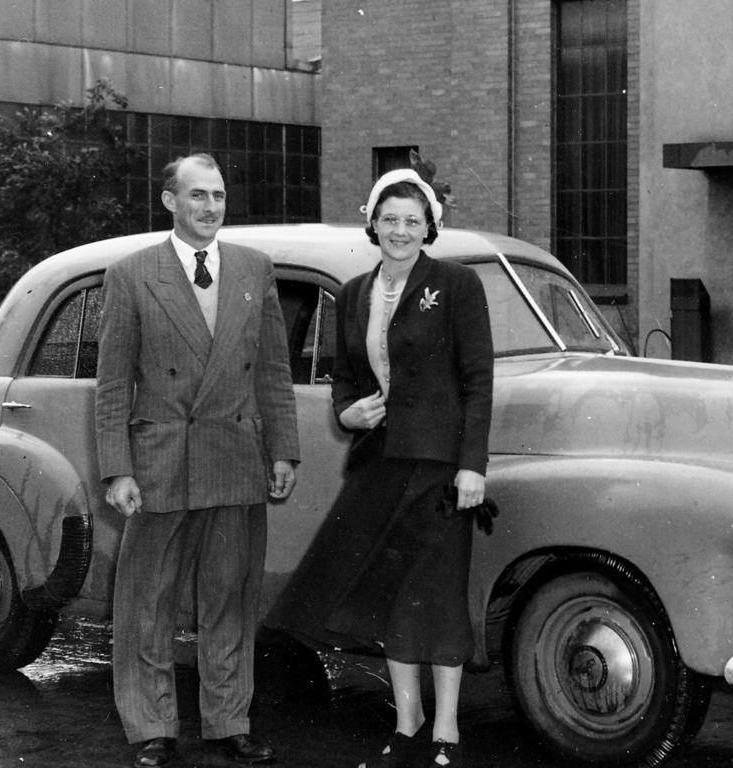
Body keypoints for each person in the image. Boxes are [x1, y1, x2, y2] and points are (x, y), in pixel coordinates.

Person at [269, 168, 493, 768]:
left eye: (411, 221)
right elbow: (345, 377)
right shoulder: (354, 293)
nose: (399, 230)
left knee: (438, 594)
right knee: (392, 593)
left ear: (429, 228)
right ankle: (408, 719)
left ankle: (446, 727)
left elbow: (478, 381)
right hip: (379, 466)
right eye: (389, 219)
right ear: (373, 223)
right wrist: (348, 413)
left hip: (441, 468)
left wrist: (472, 467)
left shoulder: (457, 284)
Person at [95, 152, 300, 768]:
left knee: (230, 599)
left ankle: (228, 721)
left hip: (235, 455)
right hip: (161, 460)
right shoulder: (131, 275)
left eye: (218, 196)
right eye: (197, 196)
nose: (210, 207)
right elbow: (111, 386)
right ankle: (151, 728)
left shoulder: (254, 269)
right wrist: (117, 467)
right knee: (147, 602)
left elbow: (272, 371)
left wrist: (284, 449)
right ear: (169, 202)